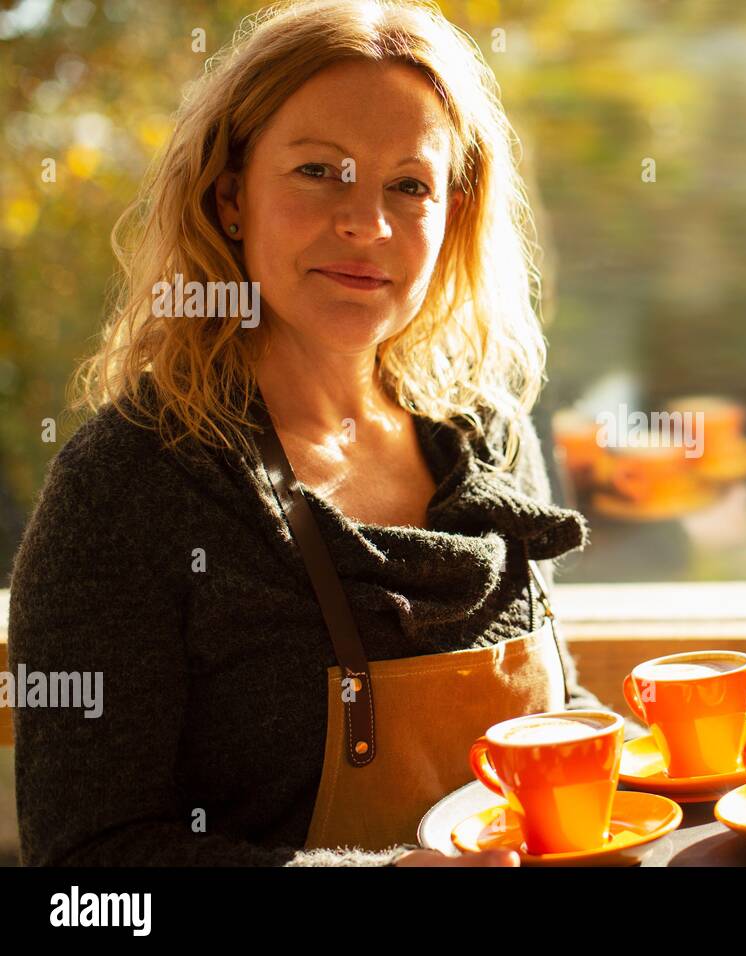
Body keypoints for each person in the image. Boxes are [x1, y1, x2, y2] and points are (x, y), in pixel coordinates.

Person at [7, 0, 644, 868]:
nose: (366, 224)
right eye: (319, 171)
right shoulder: (129, 482)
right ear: (230, 197)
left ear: (453, 212)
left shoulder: (486, 437)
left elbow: (552, 726)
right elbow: (83, 873)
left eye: (409, 185)